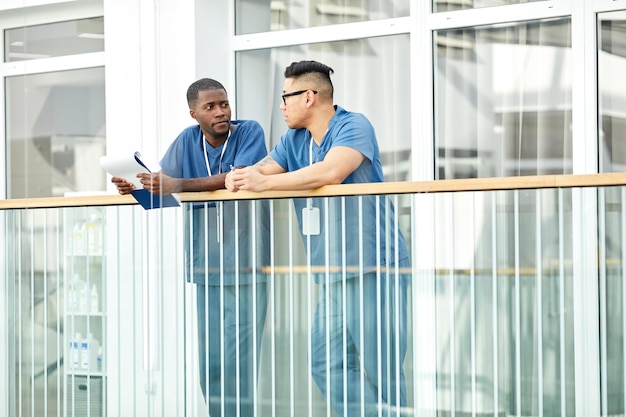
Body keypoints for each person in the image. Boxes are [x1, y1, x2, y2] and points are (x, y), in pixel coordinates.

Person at [226, 60, 410, 417]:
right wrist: (243, 175)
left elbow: (332, 171)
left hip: (374, 265)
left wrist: (262, 182)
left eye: (286, 97)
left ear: (309, 96)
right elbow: (265, 168)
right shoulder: (293, 139)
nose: (281, 106)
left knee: (382, 370)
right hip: (332, 271)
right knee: (327, 362)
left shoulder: (353, 126)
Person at [112, 78, 269, 416]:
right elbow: (162, 192)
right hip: (205, 269)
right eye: (210, 107)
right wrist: (136, 187)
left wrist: (176, 183)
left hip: (245, 267)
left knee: (238, 367)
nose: (221, 112)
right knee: (210, 366)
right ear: (193, 113)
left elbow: (238, 178)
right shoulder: (187, 140)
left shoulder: (249, 132)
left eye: (224, 104)